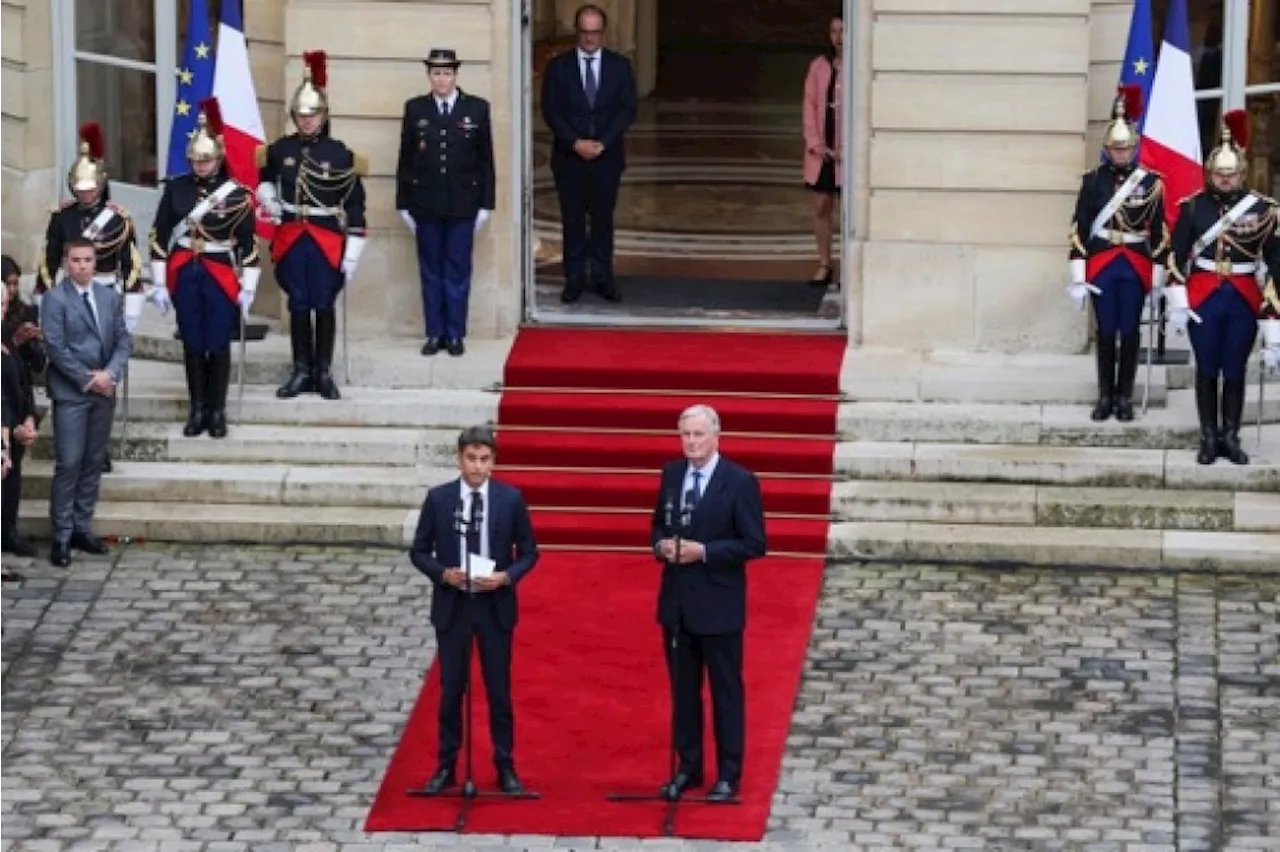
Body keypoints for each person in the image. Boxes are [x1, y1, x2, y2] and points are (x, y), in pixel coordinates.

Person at [409, 425, 539, 795]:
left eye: (484, 460)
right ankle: (447, 764)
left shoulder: (510, 500)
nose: (477, 467)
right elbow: (419, 551)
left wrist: (506, 577)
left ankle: (505, 764)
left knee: (499, 690)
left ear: (494, 462)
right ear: (459, 458)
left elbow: (529, 552)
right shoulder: (439, 499)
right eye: (471, 459)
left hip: (494, 605)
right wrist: (443, 574)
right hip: (454, 604)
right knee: (451, 690)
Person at [650, 405, 767, 802]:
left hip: (719, 605)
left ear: (716, 436)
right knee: (684, 691)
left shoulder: (739, 481)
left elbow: (754, 543)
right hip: (678, 604)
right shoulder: (671, 474)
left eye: (698, 434)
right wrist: (661, 546)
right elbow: (658, 524)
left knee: (725, 693)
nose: (691, 442)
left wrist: (704, 552)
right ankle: (689, 767)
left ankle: (729, 774)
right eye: (685, 434)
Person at [1167, 109, 1280, 466]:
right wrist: (1178, 302)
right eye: (1220, 174)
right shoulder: (1192, 207)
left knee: (1233, 368)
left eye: (1231, 175)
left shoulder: (1264, 209)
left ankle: (1230, 435)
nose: (1225, 180)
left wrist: (1273, 318)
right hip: (1203, 295)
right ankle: (1208, 435)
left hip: (1244, 297)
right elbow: (1175, 257)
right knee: (1206, 368)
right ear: (1209, 173)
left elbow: (1276, 264)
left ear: (1241, 174)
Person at [257, 50, 368, 400]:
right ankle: (301, 369)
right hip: (292, 235)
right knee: (298, 304)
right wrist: (267, 197)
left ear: (323, 116)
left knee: (323, 303)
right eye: (302, 115)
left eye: (313, 115)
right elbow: (265, 179)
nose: (307, 121)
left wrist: (352, 251)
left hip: (325, 238)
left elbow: (355, 202)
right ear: (294, 116)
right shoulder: (280, 150)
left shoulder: (339, 154)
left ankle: (323, 371)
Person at [149, 98, 260, 439]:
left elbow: (249, 244)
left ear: (218, 158)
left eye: (206, 160)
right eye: (196, 160)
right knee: (193, 342)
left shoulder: (237, 195)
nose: (200, 166)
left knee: (218, 342)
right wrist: (159, 282)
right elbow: (159, 234)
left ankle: (217, 409)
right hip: (185, 269)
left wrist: (249, 286)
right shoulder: (176, 188)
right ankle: (197, 408)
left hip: (219, 272)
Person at [38, 122, 144, 472]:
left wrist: (131, 301)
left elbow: (130, 261)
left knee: (104, 368)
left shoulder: (118, 219)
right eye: (80, 189)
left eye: (91, 188)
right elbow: (49, 258)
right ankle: (70, 445)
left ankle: (100, 448)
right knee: (71, 364)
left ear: (100, 184)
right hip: (69, 298)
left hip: (106, 294)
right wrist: (43, 295)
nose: (85, 194)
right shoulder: (62, 217)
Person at [1068, 84, 1169, 423]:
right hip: (1102, 262)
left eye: (1126, 149)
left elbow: (1159, 231)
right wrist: (1078, 275)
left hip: (1136, 262)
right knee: (1106, 331)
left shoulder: (1152, 183)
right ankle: (1105, 395)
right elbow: (1079, 227)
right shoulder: (1093, 181)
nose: (1121, 154)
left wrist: (1158, 276)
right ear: (1107, 149)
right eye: (1115, 148)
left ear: (1134, 148)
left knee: (1130, 331)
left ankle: (1125, 396)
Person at [396, 48, 495, 358]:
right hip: (425, 204)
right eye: (436, 73)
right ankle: (434, 333)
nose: (442, 78)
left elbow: (485, 160)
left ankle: (454, 334)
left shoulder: (476, 109)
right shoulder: (416, 109)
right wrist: (403, 203)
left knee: (457, 271)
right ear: (429, 76)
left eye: (447, 73)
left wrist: (486, 204)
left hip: (464, 205)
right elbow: (406, 159)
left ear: (455, 75)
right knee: (430, 272)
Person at [41, 238, 132, 568]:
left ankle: (81, 527)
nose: (82, 265)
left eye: (88, 260)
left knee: (94, 461)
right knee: (69, 463)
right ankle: (61, 534)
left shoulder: (109, 297)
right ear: (66, 263)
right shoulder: (55, 299)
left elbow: (123, 339)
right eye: (76, 260)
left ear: (96, 263)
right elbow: (56, 347)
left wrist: (110, 374)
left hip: (104, 391)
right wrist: (89, 379)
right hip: (72, 393)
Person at [539, 4, 637, 304]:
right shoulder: (558, 67)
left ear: (602, 33)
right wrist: (574, 142)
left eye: (595, 33)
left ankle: (603, 277)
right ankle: (575, 278)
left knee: (603, 220)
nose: (589, 39)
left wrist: (603, 143)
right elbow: (551, 111)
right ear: (577, 32)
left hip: (607, 158)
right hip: (569, 158)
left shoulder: (620, 66)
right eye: (584, 32)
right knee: (572, 220)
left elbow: (627, 109)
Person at [0, 259, 41, 559]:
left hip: (16, 413)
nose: (3, 309)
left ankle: (8, 531)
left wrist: (28, 416)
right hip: (5, 422)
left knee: (12, 482)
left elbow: (26, 376)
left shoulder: (15, 324)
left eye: (3, 305)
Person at [802, 14, 844, 288]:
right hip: (822, 152)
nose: (838, 37)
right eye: (833, 31)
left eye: (842, 31)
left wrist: (845, 149)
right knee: (821, 206)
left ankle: (851, 266)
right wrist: (816, 144)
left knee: (849, 211)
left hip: (846, 154)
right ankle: (825, 263)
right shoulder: (818, 67)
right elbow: (809, 106)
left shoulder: (858, 66)